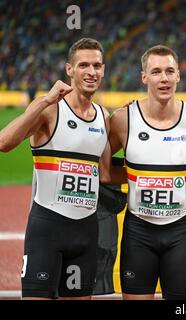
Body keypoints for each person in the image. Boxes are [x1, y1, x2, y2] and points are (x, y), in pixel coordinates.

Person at [0, 38, 111, 299]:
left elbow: (105, 174)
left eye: (96, 65)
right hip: (47, 228)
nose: (91, 72)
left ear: (104, 69)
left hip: (86, 230)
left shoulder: (103, 116)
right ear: (69, 69)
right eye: (83, 65)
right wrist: (43, 101)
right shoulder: (50, 110)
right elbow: (4, 142)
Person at [106, 45, 186, 300]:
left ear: (178, 76)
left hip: (181, 231)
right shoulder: (123, 119)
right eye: (155, 72)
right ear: (144, 77)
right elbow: (103, 170)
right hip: (138, 231)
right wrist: (136, 178)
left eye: (169, 71)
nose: (163, 78)